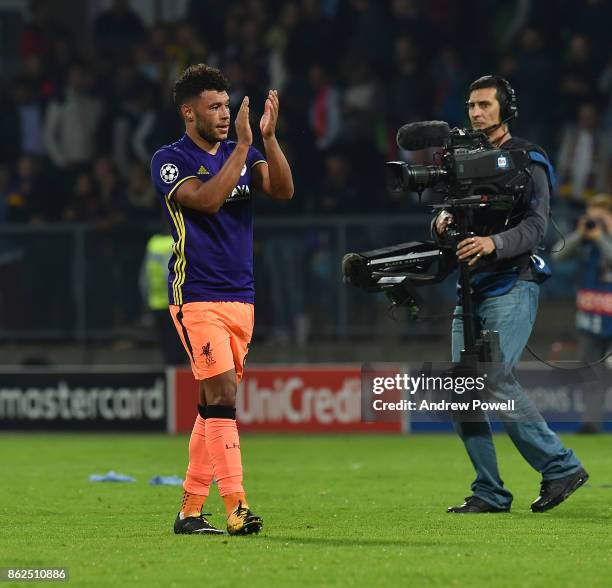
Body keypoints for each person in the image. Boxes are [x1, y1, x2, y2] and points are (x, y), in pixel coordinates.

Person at [433, 75, 588, 514]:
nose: (476, 112)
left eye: (485, 105)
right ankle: (490, 492)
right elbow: (446, 211)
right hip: (470, 286)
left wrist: (492, 244)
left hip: (511, 283)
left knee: (495, 377)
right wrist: (442, 221)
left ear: (506, 109)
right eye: (471, 105)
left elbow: (538, 226)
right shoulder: (459, 159)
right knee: (464, 387)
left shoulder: (528, 157)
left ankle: (560, 466)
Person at [150, 64, 294, 535]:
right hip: (196, 297)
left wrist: (268, 139)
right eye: (214, 107)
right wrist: (246, 148)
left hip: (241, 298)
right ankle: (237, 507)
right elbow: (209, 199)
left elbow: (282, 190)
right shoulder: (169, 159)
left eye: (226, 106)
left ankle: (190, 511)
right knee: (224, 396)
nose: (224, 114)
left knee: (212, 404)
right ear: (188, 113)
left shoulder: (240, 150)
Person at [552, 193, 612, 433]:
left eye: (600, 217)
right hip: (591, 318)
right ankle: (591, 423)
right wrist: (579, 235)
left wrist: (602, 238)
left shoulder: (600, 241)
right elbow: (557, 255)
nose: (594, 223)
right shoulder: (585, 241)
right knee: (590, 374)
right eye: (591, 217)